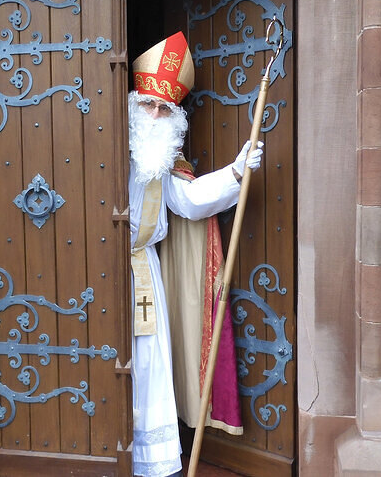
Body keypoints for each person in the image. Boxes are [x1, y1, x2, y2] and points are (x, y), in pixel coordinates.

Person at [128, 32, 263, 477]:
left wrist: (235, 171)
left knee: (147, 363)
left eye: (164, 109)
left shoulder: (164, 161)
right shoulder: (106, 150)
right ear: (133, 104)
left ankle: (149, 463)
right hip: (98, 271)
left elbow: (189, 202)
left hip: (143, 272)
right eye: (148, 104)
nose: (154, 115)